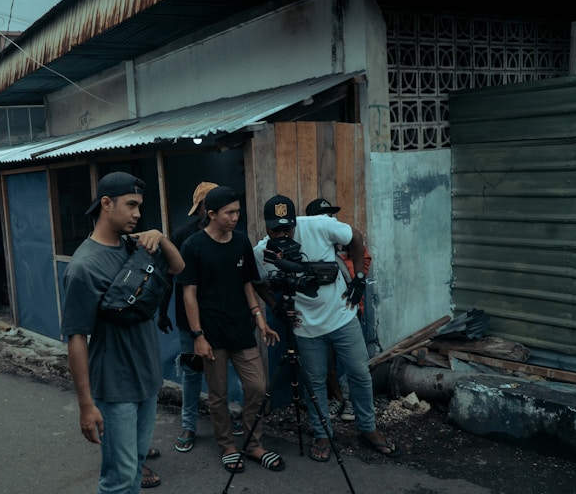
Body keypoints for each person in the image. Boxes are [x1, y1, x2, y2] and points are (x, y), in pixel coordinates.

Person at [253, 194, 401, 463]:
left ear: (295, 221)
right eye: (276, 229)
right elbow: (256, 281)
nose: (283, 233)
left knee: (360, 374)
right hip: (306, 328)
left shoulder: (317, 225)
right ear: (266, 227)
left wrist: (358, 278)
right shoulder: (262, 251)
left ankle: (368, 428)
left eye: (288, 227)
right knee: (316, 382)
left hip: (343, 317)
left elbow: (355, 237)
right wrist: (275, 306)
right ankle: (322, 434)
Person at [62, 171, 185, 494]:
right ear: (106, 203)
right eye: (131, 205)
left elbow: (177, 267)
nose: (137, 214)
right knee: (118, 478)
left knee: (137, 465)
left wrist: (160, 237)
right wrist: (86, 405)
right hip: (115, 388)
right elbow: (76, 338)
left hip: (147, 379)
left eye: (139, 206)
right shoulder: (83, 267)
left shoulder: (135, 247)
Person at [177, 186, 284, 474]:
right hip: (211, 333)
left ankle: (252, 443)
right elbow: (189, 294)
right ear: (211, 214)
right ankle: (227, 445)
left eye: (238, 211)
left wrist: (259, 317)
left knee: (258, 387)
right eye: (230, 212)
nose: (236, 217)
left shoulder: (240, 242)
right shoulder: (194, 246)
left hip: (241, 327)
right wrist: (197, 336)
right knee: (218, 394)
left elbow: (247, 282)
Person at [156, 181, 218, 453]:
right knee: (192, 373)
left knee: (220, 371)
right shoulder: (182, 236)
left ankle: (224, 421)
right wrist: (162, 311)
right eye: (207, 204)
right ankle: (189, 424)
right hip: (187, 319)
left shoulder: (229, 235)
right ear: (202, 208)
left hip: (219, 317)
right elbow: (168, 278)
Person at [305, 198, 373, 423]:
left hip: (351, 313)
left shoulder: (346, 243)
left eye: (332, 216)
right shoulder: (314, 249)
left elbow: (364, 256)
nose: (331, 220)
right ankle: (338, 398)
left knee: (356, 366)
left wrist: (358, 280)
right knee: (328, 364)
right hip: (322, 319)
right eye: (325, 216)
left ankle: (354, 403)